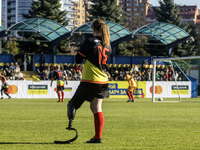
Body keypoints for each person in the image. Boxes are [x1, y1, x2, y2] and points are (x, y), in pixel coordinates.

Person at [66, 19, 111, 143]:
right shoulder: (107, 43)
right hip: (103, 80)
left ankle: (70, 125)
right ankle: (97, 138)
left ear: (93, 29)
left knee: (72, 104)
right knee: (96, 107)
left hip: (91, 79)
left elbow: (78, 59)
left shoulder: (90, 41)